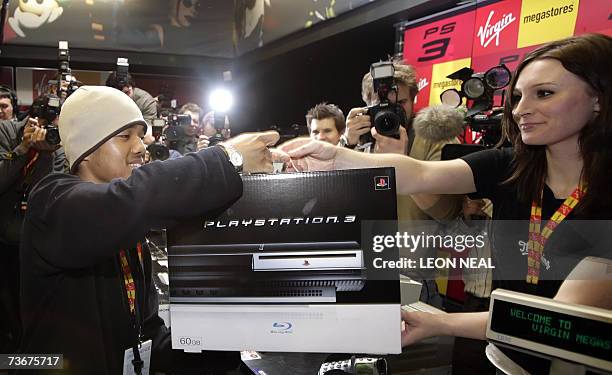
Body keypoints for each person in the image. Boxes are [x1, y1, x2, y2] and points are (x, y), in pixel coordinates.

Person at [280, 33, 612, 373]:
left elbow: (552, 323)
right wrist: (335, 155)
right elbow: (420, 174)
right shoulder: (510, 167)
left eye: (544, 93)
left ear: (598, 99)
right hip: (500, 357)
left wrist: (442, 324)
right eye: (517, 96)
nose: (521, 109)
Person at [19, 85, 278, 374]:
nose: (141, 147)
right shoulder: (52, 201)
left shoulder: (130, 235)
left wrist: (229, 346)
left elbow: (148, 337)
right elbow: (132, 200)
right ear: (86, 150)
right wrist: (228, 158)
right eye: (125, 136)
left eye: (141, 136)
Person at [0, 95, 66, 352]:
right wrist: (22, 149)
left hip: (33, 239)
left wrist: (47, 155)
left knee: (30, 302)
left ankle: (29, 353)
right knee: (7, 304)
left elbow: (45, 195)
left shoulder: (57, 142)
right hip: (4, 236)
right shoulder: (7, 130)